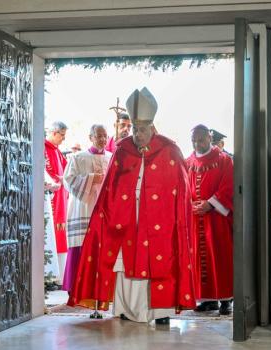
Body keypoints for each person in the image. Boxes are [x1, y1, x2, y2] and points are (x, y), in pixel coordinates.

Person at [68, 87, 196, 324]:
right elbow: (110, 188)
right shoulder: (122, 149)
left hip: (160, 221)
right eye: (135, 129)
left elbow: (181, 190)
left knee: (159, 260)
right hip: (125, 218)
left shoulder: (170, 150)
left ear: (153, 128)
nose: (138, 134)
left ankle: (161, 312)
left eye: (143, 129)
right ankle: (124, 308)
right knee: (123, 263)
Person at [186, 125, 234, 315]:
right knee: (198, 258)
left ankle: (225, 299)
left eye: (201, 139)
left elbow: (229, 185)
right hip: (195, 217)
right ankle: (207, 300)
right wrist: (191, 205)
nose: (197, 144)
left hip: (217, 219)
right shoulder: (187, 161)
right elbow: (182, 187)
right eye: (194, 140)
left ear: (209, 137)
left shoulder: (224, 160)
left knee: (220, 257)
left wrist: (211, 203)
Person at [62, 124, 112, 292]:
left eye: (105, 136)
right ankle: (76, 287)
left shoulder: (112, 158)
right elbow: (67, 180)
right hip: (84, 207)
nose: (103, 140)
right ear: (90, 137)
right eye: (99, 136)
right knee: (81, 245)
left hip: (105, 209)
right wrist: (90, 179)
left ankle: (100, 288)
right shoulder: (78, 157)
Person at [44, 121, 69, 283]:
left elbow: (67, 170)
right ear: (54, 133)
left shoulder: (57, 152)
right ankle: (50, 276)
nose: (63, 139)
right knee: (52, 234)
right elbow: (45, 171)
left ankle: (59, 276)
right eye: (62, 135)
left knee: (60, 235)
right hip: (51, 199)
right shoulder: (44, 149)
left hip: (61, 198)